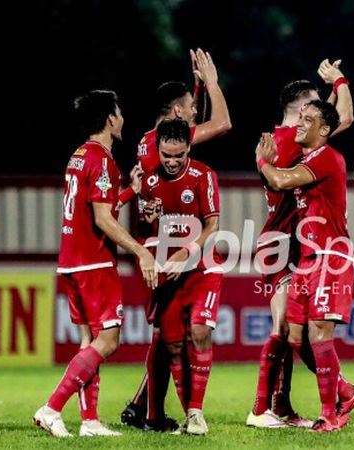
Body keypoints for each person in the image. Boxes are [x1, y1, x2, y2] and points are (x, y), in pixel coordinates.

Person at [34, 90, 158, 437]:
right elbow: (103, 219)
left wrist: (129, 191)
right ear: (109, 119)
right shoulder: (103, 159)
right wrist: (140, 250)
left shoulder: (78, 156)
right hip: (94, 263)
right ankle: (52, 407)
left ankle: (89, 421)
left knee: (89, 342)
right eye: (119, 113)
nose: (123, 119)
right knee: (110, 340)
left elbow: (94, 206)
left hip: (71, 261)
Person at [248, 59, 354, 429]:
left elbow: (335, 118)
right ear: (300, 113)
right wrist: (340, 83)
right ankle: (265, 407)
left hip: (307, 246)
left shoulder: (310, 148)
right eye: (312, 106)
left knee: (298, 331)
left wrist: (337, 85)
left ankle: (280, 406)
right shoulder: (288, 141)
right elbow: (341, 117)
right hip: (285, 242)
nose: (314, 115)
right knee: (287, 329)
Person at [121, 48, 232, 432]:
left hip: (168, 249)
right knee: (168, 340)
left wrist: (197, 90)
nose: (190, 116)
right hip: (167, 254)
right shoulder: (161, 147)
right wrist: (213, 85)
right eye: (186, 109)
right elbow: (222, 122)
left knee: (168, 337)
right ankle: (149, 410)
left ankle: (146, 408)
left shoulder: (150, 142)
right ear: (174, 115)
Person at [137, 118, 223, 434]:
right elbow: (144, 230)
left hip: (203, 269)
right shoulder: (147, 182)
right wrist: (147, 220)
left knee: (199, 331)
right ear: (157, 150)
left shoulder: (204, 176)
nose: (172, 162)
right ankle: (190, 416)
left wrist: (186, 253)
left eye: (179, 155)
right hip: (168, 276)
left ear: (189, 149)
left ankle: (197, 412)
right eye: (166, 155)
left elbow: (213, 225)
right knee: (173, 347)